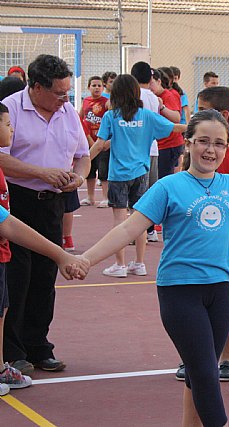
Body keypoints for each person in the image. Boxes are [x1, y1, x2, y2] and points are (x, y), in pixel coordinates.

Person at [78, 108, 229, 427]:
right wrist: (86, 259)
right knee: (206, 373)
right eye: (203, 141)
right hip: (180, 292)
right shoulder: (168, 187)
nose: (211, 149)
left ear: (227, 148)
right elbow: (127, 228)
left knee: (198, 374)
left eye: (219, 143)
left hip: (222, 291)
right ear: (188, 143)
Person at [0, 54, 90, 374]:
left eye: (68, 93)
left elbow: (83, 155)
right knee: (17, 277)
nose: (64, 99)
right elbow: (1, 157)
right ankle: (12, 350)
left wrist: (78, 177)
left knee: (45, 275)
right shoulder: (10, 109)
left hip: (53, 202)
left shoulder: (68, 113)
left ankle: (38, 345)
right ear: (36, 87)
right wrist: (41, 173)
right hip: (17, 200)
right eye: (58, 93)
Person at [175, 85, 229, 383]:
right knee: (191, 307)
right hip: (195, 242)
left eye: (201, 108)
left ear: (223, 115)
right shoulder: (196, 150)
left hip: (224, 240)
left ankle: (227, 357)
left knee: (226, 304)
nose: (211, 149)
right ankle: (194, 357)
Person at [90, 74, 186, 278]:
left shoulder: (111, 116)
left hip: (118, 175)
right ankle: (139, 263)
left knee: (119, 221)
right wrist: (200, 126)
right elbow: (174, 127)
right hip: (141, 173)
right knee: (139, 219)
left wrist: (82, 162)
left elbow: (99, 144)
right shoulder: (146, 116)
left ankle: (120, 264)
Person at [131, 61, 162, 242]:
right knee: (149, 190)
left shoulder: (134, 95)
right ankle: (150, 230)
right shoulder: (153, 97)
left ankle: (137, 231)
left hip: (137, 149)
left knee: (137, 192)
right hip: (153, 147)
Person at [79, 76, 109, 207]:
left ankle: (106, 197)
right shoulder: (85, 101)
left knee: (103, 170)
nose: (96, 88)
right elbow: (80, 118)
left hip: (102, 142)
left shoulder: (107, 102)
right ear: (88, 87)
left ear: (103, 87)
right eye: (94, 85)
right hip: (88, 140)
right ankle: (90, 197)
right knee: (90, 170)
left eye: (99, 85)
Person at [151, 68, 184, 180]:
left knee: (164, 178)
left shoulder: (168, 96)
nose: (149, 87)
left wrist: (162, 107)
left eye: (151, 83)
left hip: (169, 145)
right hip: (158, 145)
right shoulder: (150, 96)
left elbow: (176, 118)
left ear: (159, 81)